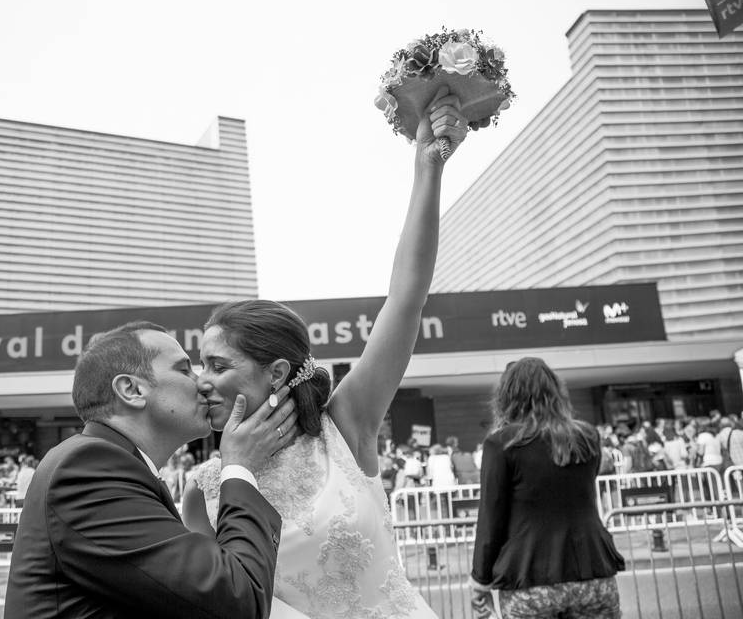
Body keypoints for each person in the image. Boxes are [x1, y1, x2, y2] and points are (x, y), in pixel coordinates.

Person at [181, 86, 468, 619]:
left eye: (219, 365)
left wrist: (429, 167)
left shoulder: (345, 427)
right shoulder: (203, 491)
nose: (201, 379)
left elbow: (406, 299)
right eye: (200, 364)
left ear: (277, 372)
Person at [4, 321, 300, 619]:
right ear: (131, 390)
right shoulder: (86, 469)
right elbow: (239, 600)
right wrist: (239, 468)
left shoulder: (111, 465)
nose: (202, 383)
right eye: (184, 370)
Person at [471, 357, 625, 618]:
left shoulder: (501, 444)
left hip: (529, 579)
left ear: (507, 397)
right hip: (593, 572)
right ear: (556, 392)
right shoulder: (587, 436)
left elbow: (491, 518)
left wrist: (480, 580)